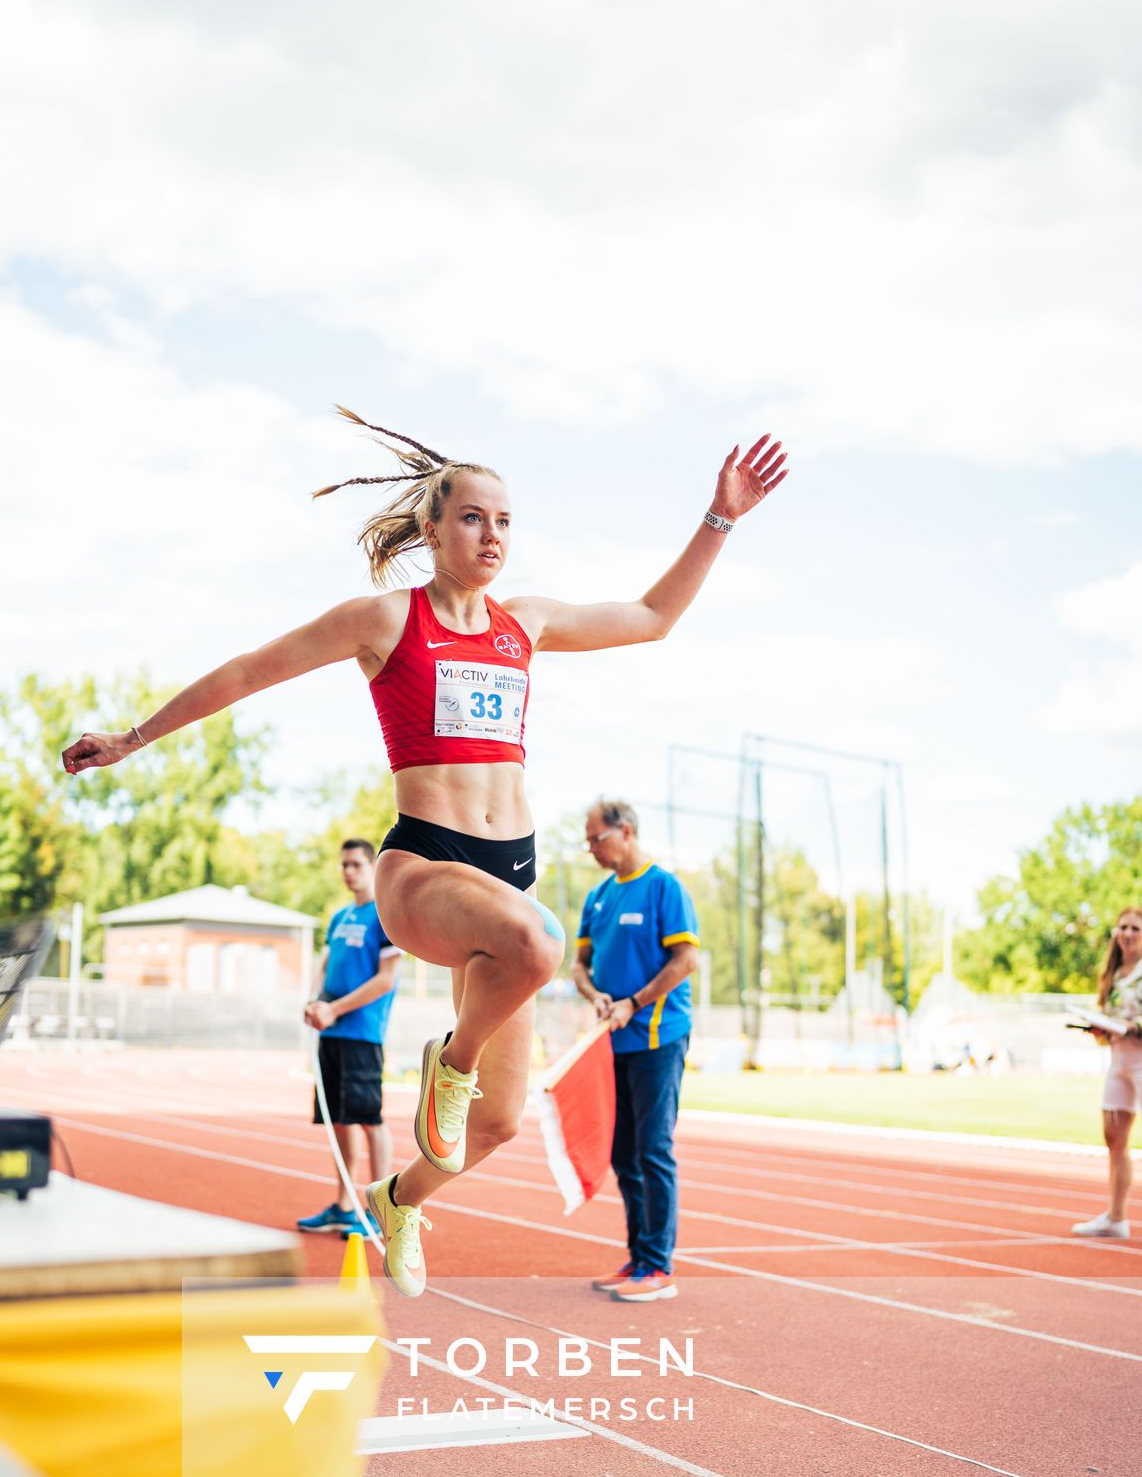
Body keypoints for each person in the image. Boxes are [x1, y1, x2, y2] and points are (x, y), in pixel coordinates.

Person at [62, 406, 787, 1296]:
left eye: (506, 522)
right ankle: (450, 1060)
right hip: (423, 866)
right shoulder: (382, 621)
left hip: (507, 872)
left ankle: (398, 1197)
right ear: (434, 528)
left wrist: (720, 519)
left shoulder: (528, 625)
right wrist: (134, 738)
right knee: (540, 944)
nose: (492, 536)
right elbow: (251, 670)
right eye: (474, 518)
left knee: (497, 1128)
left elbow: (651, 616)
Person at [571, 799, 699, 1300]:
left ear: (625, 832)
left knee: (653, 1150)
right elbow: (580, 964)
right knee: (623, 1153)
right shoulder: (598, 897)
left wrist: (635, 1003)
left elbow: (685, 960)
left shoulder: (665, 888)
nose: (591, 849)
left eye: (596, 839)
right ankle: (637, 1258)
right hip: (612, 1040)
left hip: (657, 1037)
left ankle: (658, 1266)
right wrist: (594, 993)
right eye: (587, 841)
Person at [297, 838, 401, 1239]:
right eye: (344, 865)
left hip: (362, 1034)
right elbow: (325, 969)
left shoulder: (386, 915)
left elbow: (385, 981)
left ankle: (381, 1211)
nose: (348, 871)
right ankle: (344, 1205)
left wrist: (334, 1010)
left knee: (369, 1120)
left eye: (356, 864)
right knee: (339, 1120)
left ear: (374, 867)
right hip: (332, 1033)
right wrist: (315, 1002)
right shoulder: (340, 917)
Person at [1073, 907, 1142, 1240]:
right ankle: (1116, 1217)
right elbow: (1110, 1018)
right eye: (1123, 927)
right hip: (1119, 1060)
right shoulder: (1114, 973)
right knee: (1113, 1136)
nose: (1128, 933)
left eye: (1135, 928)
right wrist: (1099, 1029)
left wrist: (1132, 1027)